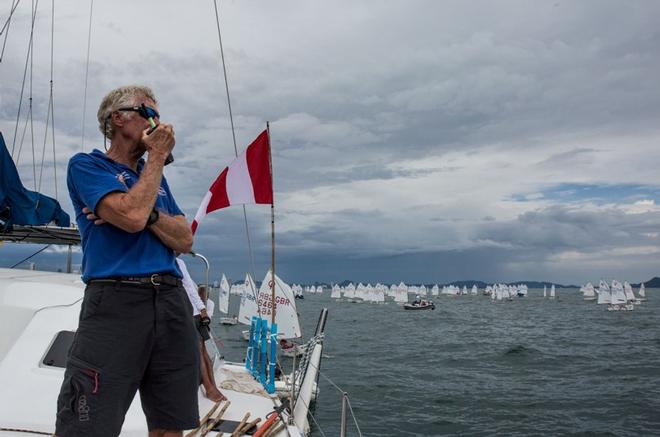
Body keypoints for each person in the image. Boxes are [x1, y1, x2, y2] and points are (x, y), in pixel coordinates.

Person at [56, 85, 198, 437]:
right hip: (115, 301)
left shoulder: (155, 182)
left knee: (171, 423)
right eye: (149, 113)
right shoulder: (87, 165)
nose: (158, 124)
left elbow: (184, 238)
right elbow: (132, 216)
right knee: (88, 425)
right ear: (118, 119)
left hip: (169, 301)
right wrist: (155, 165)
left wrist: (145, 215)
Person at [176, 257, 226, 402]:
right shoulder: (172, 264)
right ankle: (210, 388)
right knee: (200, 351)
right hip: (191, 313)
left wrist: (202, 309)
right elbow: (193, 289)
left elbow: (192, 289)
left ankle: (212, 387)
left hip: (193, 314)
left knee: (204, 352)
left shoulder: (178, 263)